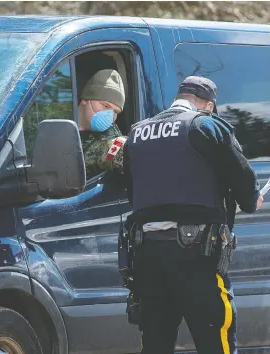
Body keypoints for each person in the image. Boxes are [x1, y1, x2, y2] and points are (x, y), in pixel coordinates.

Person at [122, 76, 263, 354]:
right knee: (215, 340)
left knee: (155, 344)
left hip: (148, 258)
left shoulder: (137, 134)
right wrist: (251, 200)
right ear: (208, 104)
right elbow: (245, 184)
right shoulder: (206, 125)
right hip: (197, 258)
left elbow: (134, 194)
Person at [78, 69, 127, 179]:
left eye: (116, 112)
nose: (110, 115)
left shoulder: (109, 137)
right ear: (85, 100)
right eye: (105, 106)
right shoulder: (58, 118)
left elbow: (120, 148)